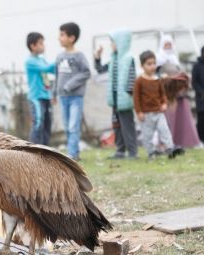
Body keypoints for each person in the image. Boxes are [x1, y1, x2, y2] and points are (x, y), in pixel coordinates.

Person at [94, 29, 138, 159]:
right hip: (115, 100)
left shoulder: (128, 59)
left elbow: (132, 78)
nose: (111, 45)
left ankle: (132, 152)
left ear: (121, 43)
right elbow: (100, 70)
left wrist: (129, 95)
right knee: (117, 125)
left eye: (112, 42)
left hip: (124, 99)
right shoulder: (113, 60)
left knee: (127, 126)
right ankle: (120, 150)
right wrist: (97, 57)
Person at [133, 51, 180, 160]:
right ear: (142, 66)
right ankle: (151, 153)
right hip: (145, 114)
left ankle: (170, 149)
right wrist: (139, 112)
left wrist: (164, 103)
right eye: (149, 64)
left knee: (164, 130)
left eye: (154, 63)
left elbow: (162, 94)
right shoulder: (139, 81)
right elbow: (136, 98)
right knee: (147, 135)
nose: (152, 66)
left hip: (158, 112)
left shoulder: (158, 80)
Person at [54, 22, 91, 160]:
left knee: (73, 126)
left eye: (62, 35)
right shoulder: (59, 56)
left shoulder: (79, 56)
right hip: (63, 97)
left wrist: (70, 85)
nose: (59, 38)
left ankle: (73, 154)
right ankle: (73, 151)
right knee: (66, 126)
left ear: (72, 38)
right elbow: (57, 75)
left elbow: (86, 73)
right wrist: (54, 93)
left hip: (76, 97)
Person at [25, 32, 56, 145]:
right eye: (41, 43)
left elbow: (52, 71)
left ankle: (45, 151)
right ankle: (33, 151)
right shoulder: (30, 61)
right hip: (36, 97)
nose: (43, 46)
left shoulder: (41, 59)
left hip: (46, 96)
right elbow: (47, 68)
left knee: (47, 124)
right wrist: (60, 59)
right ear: (33, 46)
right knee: (38, 123)